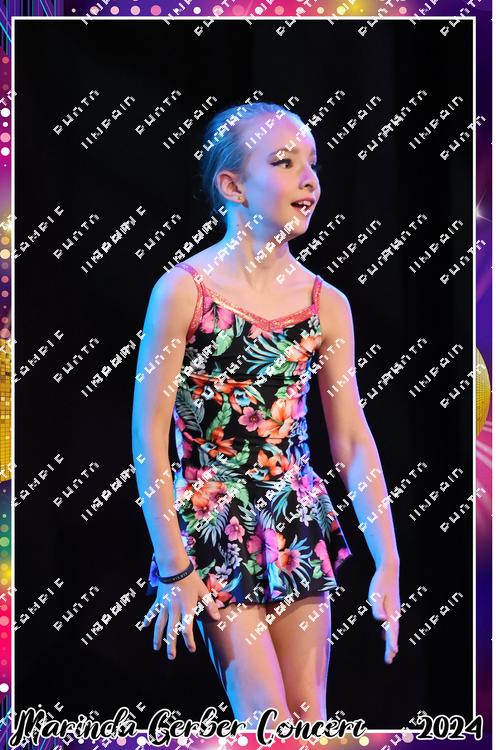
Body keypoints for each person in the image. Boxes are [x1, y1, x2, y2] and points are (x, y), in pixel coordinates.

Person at [131, 102, 400, 728]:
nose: (309, 179)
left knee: (308, 722)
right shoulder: (184, 290)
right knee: (268, 725)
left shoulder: (326, 304)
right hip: (215, 522)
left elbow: (351, 440)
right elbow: (148, 435)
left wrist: (387, 558)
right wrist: (173, 566)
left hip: (296, 520)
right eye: (284, 162)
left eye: (312, 163)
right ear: (232, 187)